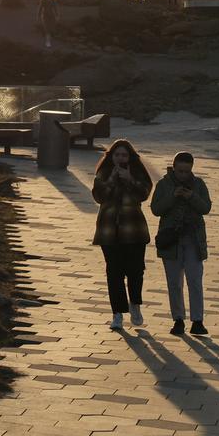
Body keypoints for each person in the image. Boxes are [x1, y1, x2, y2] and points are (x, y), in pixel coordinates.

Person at [91, 139, 152, 331]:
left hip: (133, 229)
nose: (120, 158)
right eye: (117, 155)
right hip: (109, 230)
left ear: (130, 157)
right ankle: (117, 313)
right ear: (111, 157)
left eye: (124, 155)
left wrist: (129, 179)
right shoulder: (103, 172)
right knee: (114, 272)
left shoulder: (138, 172)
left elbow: (144, 193)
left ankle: (135, 303)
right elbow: (98, 196)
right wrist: (111, 180)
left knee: (135, 270)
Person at [150, 151, 212, 335]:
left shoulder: (199, 184)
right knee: (174, 282)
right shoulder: (163, 184)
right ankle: (178, 319)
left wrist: (191, 196)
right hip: (171, 240)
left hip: (193, 239)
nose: (183, 175)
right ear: (174, 167)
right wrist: (173, 196)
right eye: (180, 171)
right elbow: (156, 209)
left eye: (187, 171)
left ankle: (197, 320)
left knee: (194, 279)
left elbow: (206, 207)